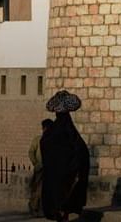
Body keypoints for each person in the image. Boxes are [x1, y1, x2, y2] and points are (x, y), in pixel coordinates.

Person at [40, 90, 90, 222]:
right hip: (66, 171)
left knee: (58, 197)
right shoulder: (67, 129)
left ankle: (60, 214)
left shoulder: (52, 131)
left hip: (56, 172)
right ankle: (63, 214)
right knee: (65, 197)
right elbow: (80, 150)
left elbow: (46, 146)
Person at [28, 118, 54, 215]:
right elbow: (31, 152)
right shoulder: (38, 140)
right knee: (37, 189)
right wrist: (36, 163)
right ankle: (34, 207)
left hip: (49, 169)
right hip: (40, 169)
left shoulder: (52, 141)